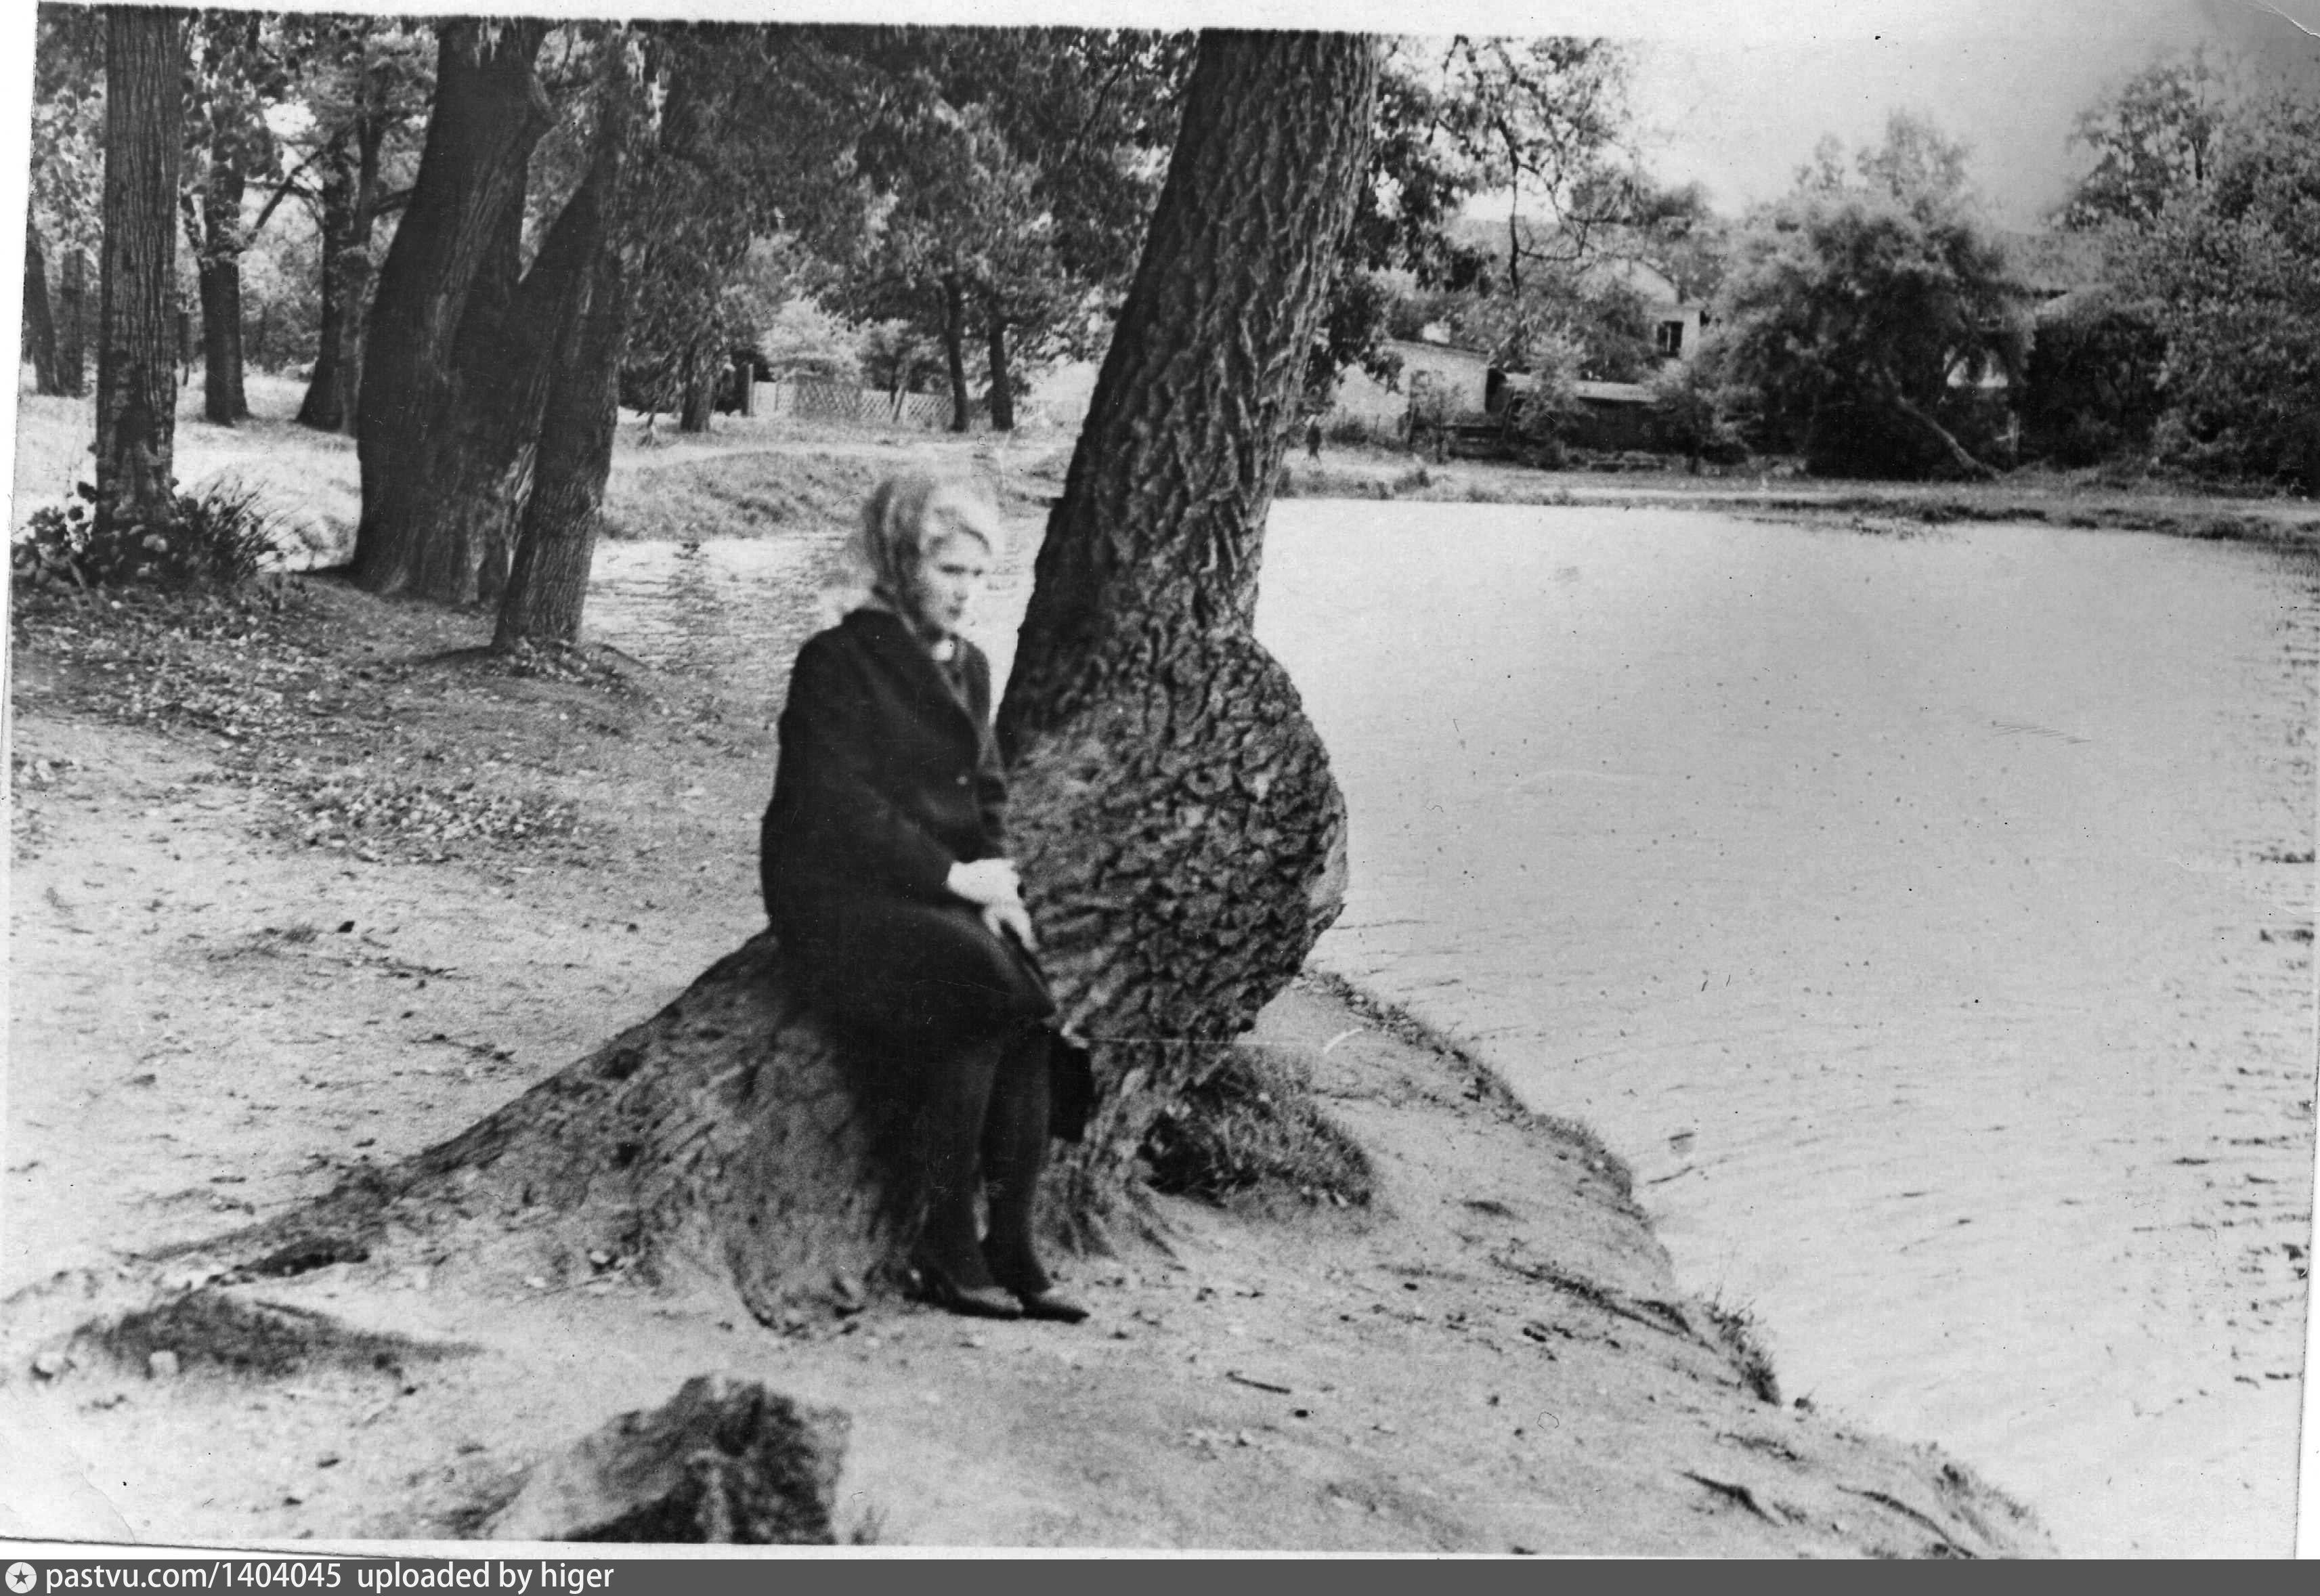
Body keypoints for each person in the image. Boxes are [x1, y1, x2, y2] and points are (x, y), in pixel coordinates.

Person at [759, 471, 1087, 1324]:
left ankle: (1012, 1244)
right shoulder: (838, 660)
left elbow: (987, 793)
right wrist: (952, 878)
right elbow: (836, 807)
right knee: (989, 995)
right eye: (949, 571)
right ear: (903, 565)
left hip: (936, 889)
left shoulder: (970, 665)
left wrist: (999, 884)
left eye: (978, 575)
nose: (966, 592)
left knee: (1031, 1013)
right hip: (839, 896)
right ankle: (945, 1242)